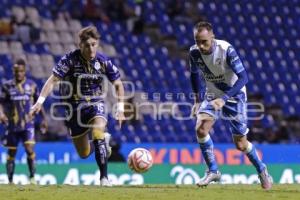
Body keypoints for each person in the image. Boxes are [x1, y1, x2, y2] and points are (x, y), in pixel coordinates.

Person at [29, 26, 125, 186]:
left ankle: (104, 178)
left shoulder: (103, 61)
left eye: (94, 44)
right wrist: (39, 102)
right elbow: (53, 80)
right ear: (80, 45)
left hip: (95, 103)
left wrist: (121, 109)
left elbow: (118, 84)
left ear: (98, 44)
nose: (91, 48)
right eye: (87, 45)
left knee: (97, 131)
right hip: (74, 109)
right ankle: (102, 142)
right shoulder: (69, 60)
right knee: (84, 153)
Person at [189, 22, 272, 189]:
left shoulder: (226, 49)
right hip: (212, 95)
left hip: (235, 95)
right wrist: (197, 101)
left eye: (204, 41)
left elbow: (244, 78)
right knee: (200, 128)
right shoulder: (194, 52)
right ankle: (213, 170)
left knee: (241, 144)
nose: (201, 45)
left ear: (212, 36)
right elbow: (194, 75)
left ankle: (262, 169)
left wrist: (225, 98)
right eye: (197, 41)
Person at [0, 58, 48, 184]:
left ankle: (32, 177)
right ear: (13, 71)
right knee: (12, 152)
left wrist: (43, 118)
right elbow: (1, 102)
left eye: (20, 71)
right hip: (12, 125)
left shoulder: (32, 85)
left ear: (24, 71)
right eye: (16, 71)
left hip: (28, 124)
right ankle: (10, 181)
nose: (18, 73)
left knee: (29, 149)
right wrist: (1, 114)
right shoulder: (6, 86)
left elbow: (39, 103)